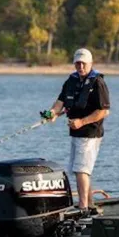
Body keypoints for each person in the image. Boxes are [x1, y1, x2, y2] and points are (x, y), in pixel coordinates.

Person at [41, 48, 110, 213]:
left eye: (83, 63)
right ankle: (90, 205)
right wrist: (52, 113)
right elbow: (60, 101)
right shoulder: (71, 80)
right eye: (77, 63)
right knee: (81, 170)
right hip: (76, 133)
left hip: (90, 133)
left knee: (81, 169)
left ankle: (83, 207)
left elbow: (104, 111)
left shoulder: (97, 82)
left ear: (90, 63)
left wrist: (82, 122)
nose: (80, 66)